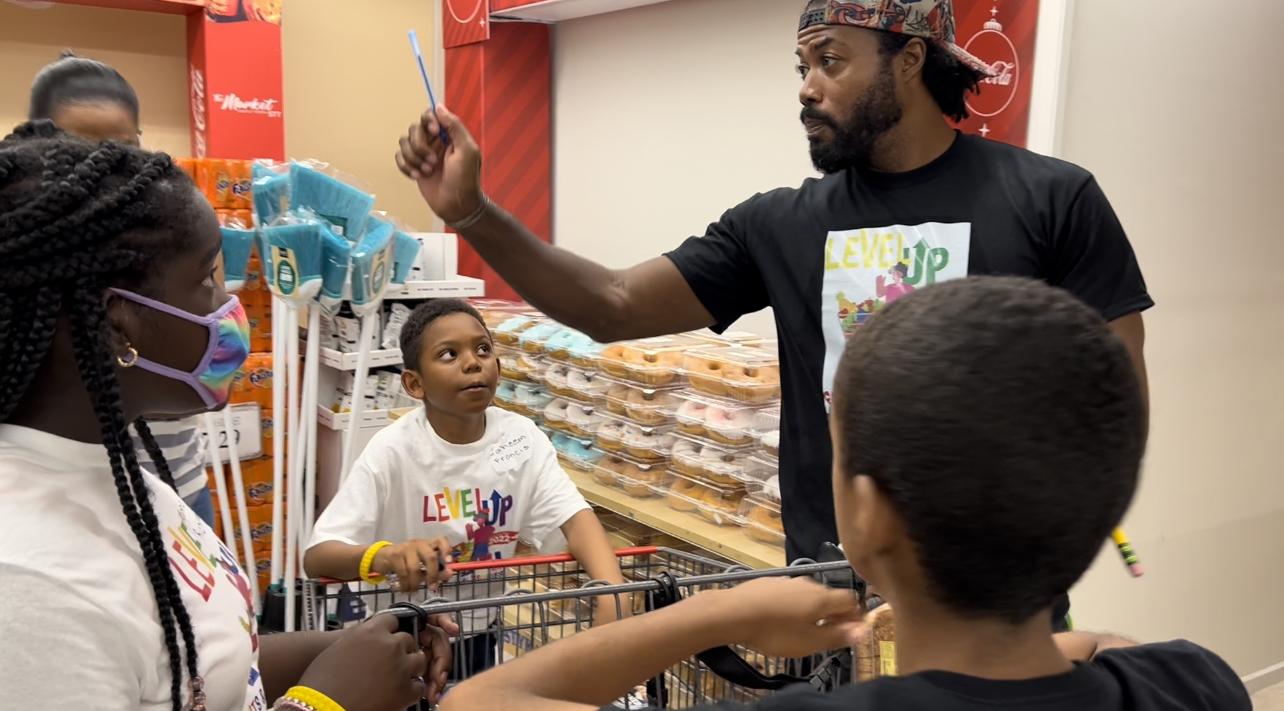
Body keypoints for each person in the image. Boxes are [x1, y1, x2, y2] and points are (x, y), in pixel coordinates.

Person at [393, 0, 1153, 574]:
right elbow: (613, 303)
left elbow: (1112, 400)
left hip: (999, 601)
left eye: (831, 60)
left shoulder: (1051, 199)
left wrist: (1066, 543)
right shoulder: (780, 225)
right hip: (830, 590)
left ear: (911, 60)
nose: (807, 88)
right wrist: (472, 213)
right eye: (802, 67)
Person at [437, 277, 1249, 711]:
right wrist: (1061, 646)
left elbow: (481, 701)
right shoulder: (1193, 682)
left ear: (869, 512)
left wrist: (715, 612)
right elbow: (1109, 645)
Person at [0, 121, 455, 711]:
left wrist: (362, 646)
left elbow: (196, 669)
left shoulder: (109, 471)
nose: (230, 307)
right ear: (118, 324)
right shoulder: (31, 583)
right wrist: (326, 702)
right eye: (207, 280)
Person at [304, 298, 627, 677]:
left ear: (499, 367)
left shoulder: (521, 438)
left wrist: (611, 595)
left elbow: (574, 519)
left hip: (480, 630)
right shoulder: (393, 450)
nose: (472, 362)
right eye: (448, 354)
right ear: (414, 383)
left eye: (483, 349)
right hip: (401, 638)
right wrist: (387, 556)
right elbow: (318, 557)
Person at [29, 51, 218, 526]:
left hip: (178, 486)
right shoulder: (28, 254)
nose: (108, 169)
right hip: (68, 505)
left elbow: (205, 354)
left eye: (125, 149)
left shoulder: (179, 233)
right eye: (84, 150)